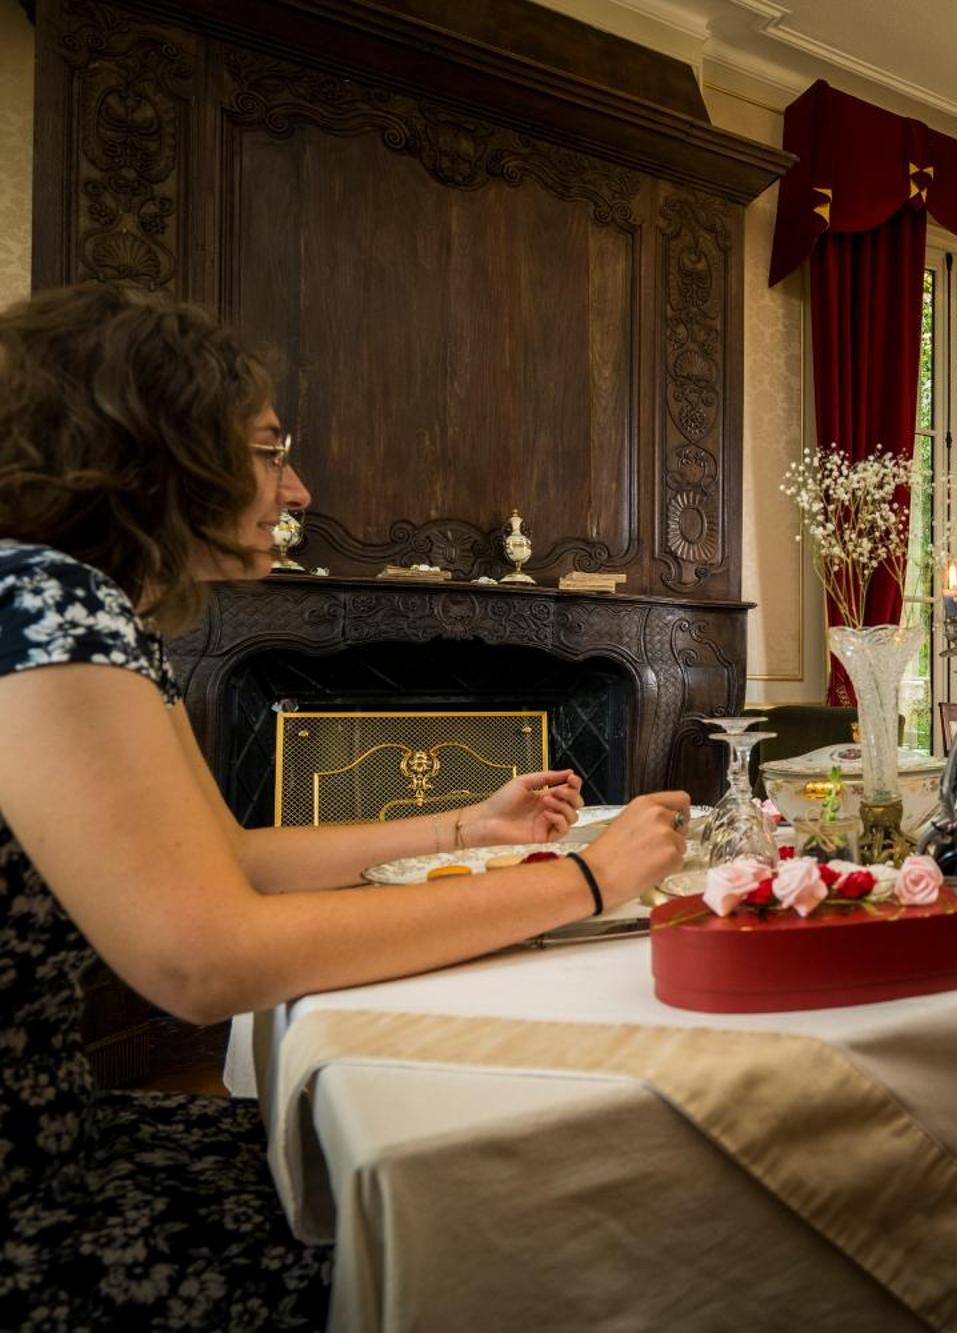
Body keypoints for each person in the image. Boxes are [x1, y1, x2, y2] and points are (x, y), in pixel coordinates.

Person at [0, 284, 691, 1330]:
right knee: (490, 1236)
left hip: (62, 1143)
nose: (300, 488)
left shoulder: (75, 604)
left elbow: (229, 856)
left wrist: (468, 828)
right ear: (159, 452)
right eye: (271, 452)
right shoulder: (47, 604)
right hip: (37, 1215)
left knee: (416, 1169)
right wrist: (587, 882)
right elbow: (203, 959)